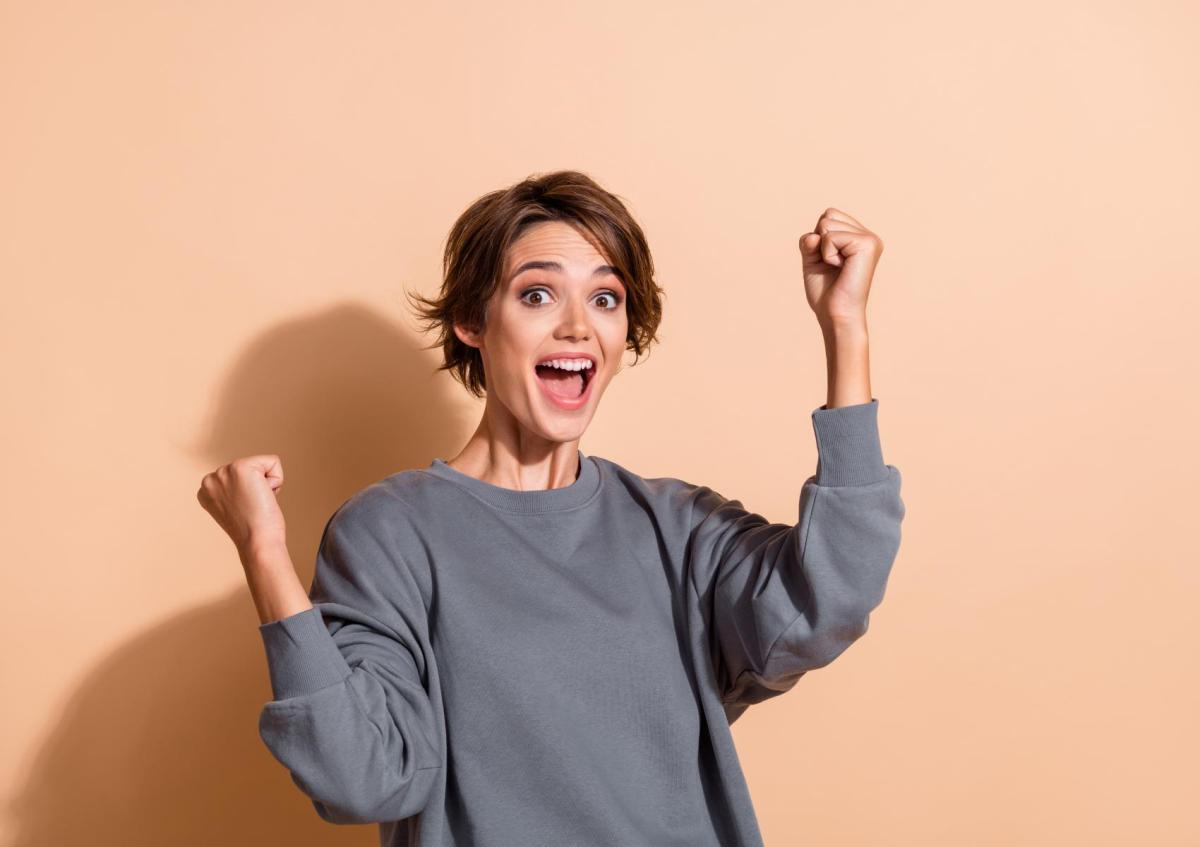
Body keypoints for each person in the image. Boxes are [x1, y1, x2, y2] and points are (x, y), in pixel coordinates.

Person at [197, 170, 906, 847]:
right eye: (538, 295)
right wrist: (263, 553)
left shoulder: (677, 526)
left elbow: (829, 597)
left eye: (605, 298)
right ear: (473, 320)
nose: (576, 326)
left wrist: (846, 328)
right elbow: (363, 777)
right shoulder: (390, 532)